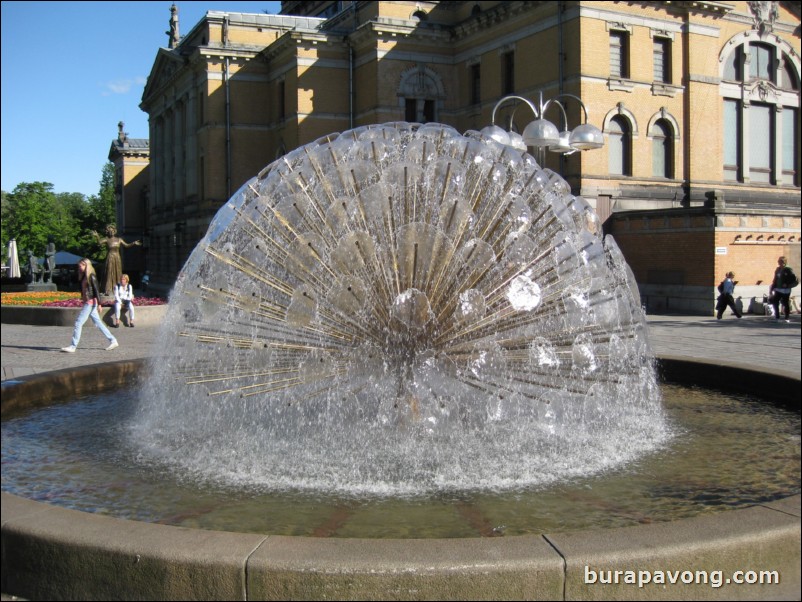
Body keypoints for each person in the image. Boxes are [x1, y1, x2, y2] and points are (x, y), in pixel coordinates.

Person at [61, 258, 119, 353]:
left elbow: (96, 291)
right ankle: (113, 340)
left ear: (86, 265)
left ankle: (73, 346)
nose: (79, 268)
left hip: (90, 302)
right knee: (99, 323)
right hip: (88, 302)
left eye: (81, 266)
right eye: (79, 266)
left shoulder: (91, 276)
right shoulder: (84, 276)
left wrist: (99, 304)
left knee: (78, 323)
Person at [91, 224, 142, 296]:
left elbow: (126, 245)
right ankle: (108, 289)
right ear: (107, 232)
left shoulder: (119, 239)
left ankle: (118, 288)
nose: (111, 232)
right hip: (110, 257)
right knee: (109, 272)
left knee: (117, 272)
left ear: (114, 231)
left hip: (117, 258)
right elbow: (99, 243)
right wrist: (97, 236)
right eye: (109, 231)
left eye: (112, 231)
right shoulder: (107, 239)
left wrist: (133, 243)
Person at [769, 256, 796, 322]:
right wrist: (772, 287)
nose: (778, 262)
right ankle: (777, 317)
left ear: (783, 262)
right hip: (778, 288)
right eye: (778, 261)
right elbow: (775, 279)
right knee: (775, 302)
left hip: (785, 290)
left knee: (785, 303)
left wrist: (786, 284)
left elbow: (793, 278)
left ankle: (787, 318)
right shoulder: (778, 269)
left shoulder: (788, 269)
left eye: (780, 261)